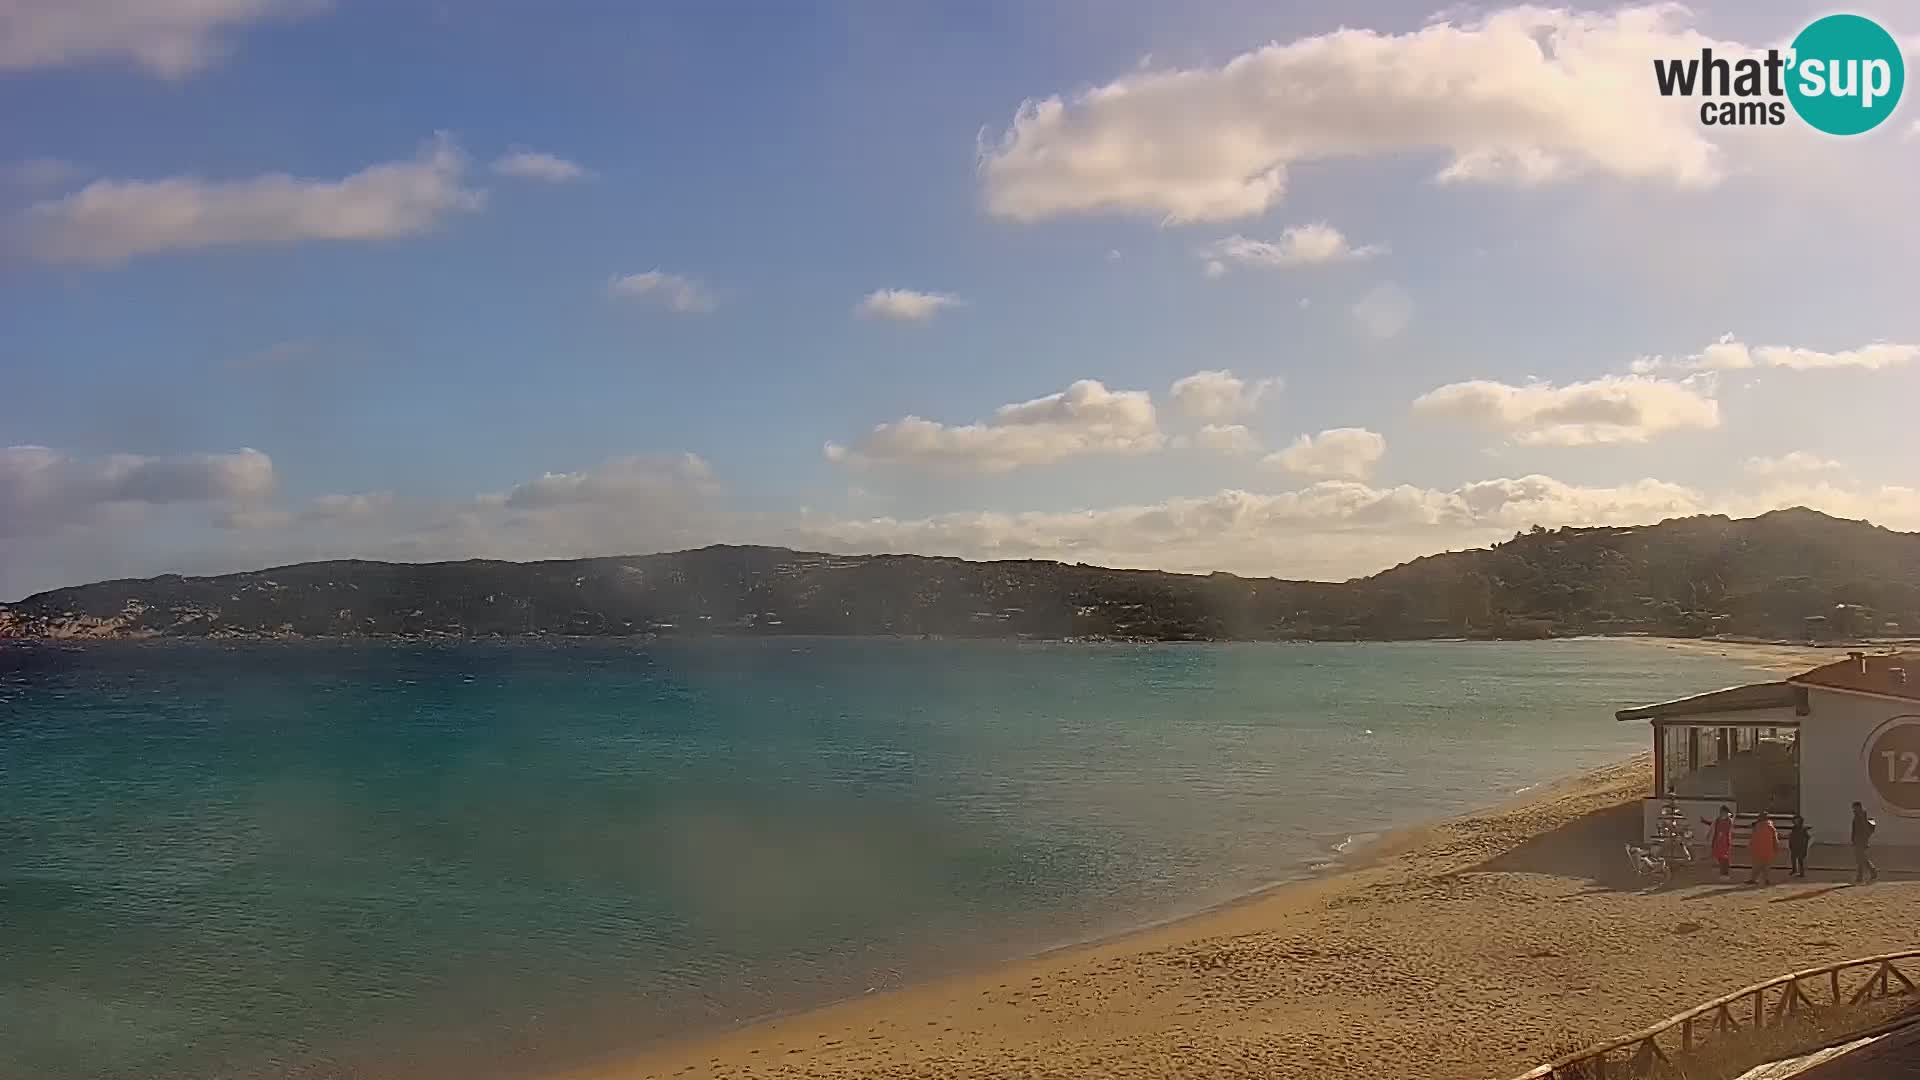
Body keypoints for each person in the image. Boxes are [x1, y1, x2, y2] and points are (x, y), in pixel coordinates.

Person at [1703, 805, 1735, 879]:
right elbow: (1712, 826)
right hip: (1717, 840)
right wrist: (1708, 835)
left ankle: (1725, 873)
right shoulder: (1717, 820)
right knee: (1719, 856)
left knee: (1725, 857)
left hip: (1725, 840)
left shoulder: (1729, 820)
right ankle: (1722, 872)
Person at [1851, 801, 1879, 883]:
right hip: (1859, 840)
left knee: (1860, 858)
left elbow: (1862, 830)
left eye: (1854, 807)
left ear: (1858, 807)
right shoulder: (1859, 815)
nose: (1853, 809)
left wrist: (1862, 839)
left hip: (1860, 840)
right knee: (1861, 858)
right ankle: (1871, 872)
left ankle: (1861, 877)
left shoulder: (1860, 816)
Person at [1748, 814, 1778, 885]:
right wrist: (1775, 847)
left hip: (1759, 849)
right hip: (1768, 849)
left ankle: (1754, 879)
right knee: (1766, 866)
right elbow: (1775, 839)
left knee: (1756, 865)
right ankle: (1766, 879)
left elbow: (1754, 838)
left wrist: (1751, 846)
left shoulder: (1757, 827)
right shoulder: (1771, 827)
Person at [1787, 814, 1812, 878]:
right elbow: (1792, 836)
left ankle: (1801, 873)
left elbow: (1808, 837)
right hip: (1794, 846)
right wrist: (1790, 843)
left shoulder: (1803, 829)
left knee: (1800, 860)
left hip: (1800, 847)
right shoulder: (1794, 828)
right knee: (1793, 858)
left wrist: (1805, 846)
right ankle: (1794, 870)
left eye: (1797, 821)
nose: (1796, 822)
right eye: (1795, 821)